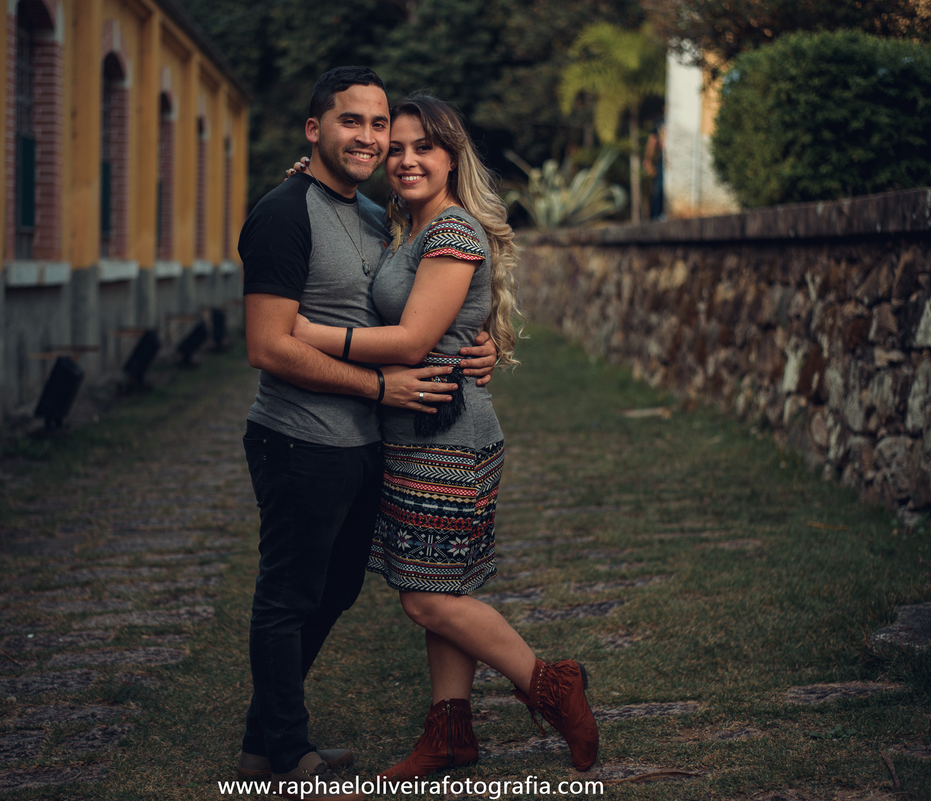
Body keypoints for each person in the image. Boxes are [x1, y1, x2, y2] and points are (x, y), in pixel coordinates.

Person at [290, 93, 599, 781]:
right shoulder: (411, 229)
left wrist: (303, 334)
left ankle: (551, 685)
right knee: (441, 585)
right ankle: (450, 732)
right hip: (419, 430)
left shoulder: (451, 232)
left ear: (451, 155)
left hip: (449, 434)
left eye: (420, 147)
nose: (404, 159)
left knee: (425, 595)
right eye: (394, 148)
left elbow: (414, 338)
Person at [236, 68, 497, 801]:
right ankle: (284, 749)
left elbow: (427, 301)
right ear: (314, 130)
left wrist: (477, 347)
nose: (371, 138)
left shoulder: (378, 215)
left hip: (363, 441)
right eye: (352, 122)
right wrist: (381, 386)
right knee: (288, 591)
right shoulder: (284, 214)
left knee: (337, 586)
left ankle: (266, 733)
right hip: (297, 436)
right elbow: (268, 345)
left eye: (378, 126)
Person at [644, 119, 666, 221]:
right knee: (657, 189)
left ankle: (662, 214)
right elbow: (651, 143)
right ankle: (655, 215)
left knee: (664, 190)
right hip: (658, 162)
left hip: (666, 163)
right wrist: (648, 161)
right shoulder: (658, 125)